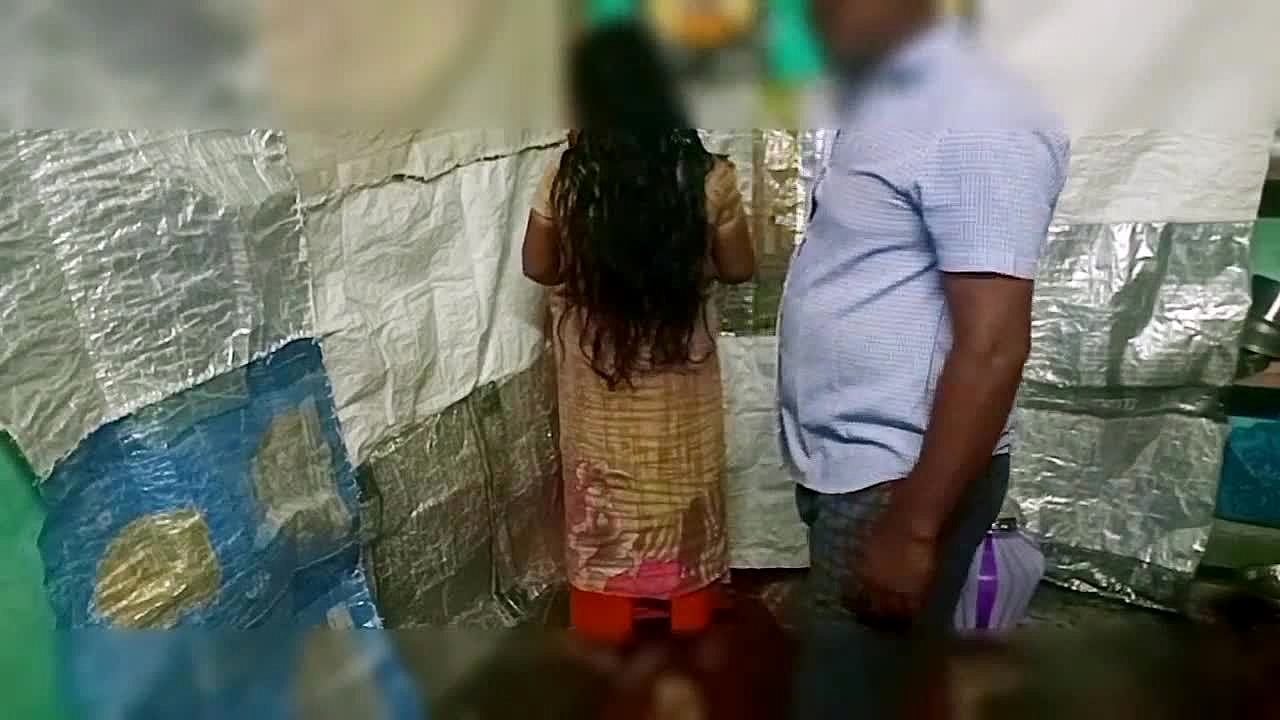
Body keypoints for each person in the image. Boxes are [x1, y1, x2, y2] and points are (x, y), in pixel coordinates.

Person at [776, 0, 1070, 716]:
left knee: (846, 699)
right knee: (868, 687)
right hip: (858, 467)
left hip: (897, 478)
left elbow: (993, 345)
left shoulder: (978, 117)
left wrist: (913, 527)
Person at [522, 21, 755, 644]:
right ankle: (687, 622)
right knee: (679, 485)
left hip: (597, 377)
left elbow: (538, 266)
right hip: (681, 378)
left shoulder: (567, 178)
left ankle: (608, 626)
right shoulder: (710, 177)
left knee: (608, 503)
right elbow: (739, 268)